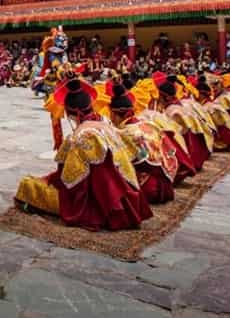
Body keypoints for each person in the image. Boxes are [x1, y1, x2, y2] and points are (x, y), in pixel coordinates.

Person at [15, 78, 153, 230]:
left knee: (28, 185)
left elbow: (70, 182)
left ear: (70, 112)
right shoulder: (107, 125)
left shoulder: (80, 136)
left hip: (98, 203)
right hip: (128, 196)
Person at [110, 83, 179, 204]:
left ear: (115, 114)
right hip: (167, 182)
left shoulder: (125, 133)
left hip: (149, 188)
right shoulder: (149, 124)